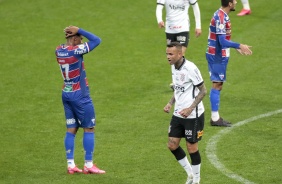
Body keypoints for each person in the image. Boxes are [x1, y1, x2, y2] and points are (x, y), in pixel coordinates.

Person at [55, 25, 106, 174]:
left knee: (71, 128)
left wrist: (76, 33)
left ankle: (70, 164)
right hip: (80, 95)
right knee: (89, 128)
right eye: (80, 37)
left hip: (66, 92)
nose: (82, 40)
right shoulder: (76, 51)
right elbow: (97, 40)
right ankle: (88, 165)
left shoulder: (58, 50)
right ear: (74, 37)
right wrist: (81, 29)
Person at [164, 42, 207, 184]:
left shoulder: (190, 68)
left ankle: (197, 180)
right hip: (178, 113)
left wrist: (190, 108)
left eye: (171, 54)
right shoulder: (173, 67)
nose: (168, 57)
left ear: (180, 54)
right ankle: (190, 174)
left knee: (191, 146)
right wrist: (170, 103)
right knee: (172, 144)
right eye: (167, 54)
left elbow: (203, 90)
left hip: (193, 114)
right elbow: (178, 88)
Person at [206, 0, 252, 127]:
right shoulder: (221, 17)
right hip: (216, 55)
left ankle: (215, 117)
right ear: (230, 4)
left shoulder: (222, 15)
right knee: (217, 84)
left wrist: (234, 47)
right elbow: (222, 41)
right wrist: (239, 45)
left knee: (218, 84)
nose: (236, 2)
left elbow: (224, 39)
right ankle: (215, 118)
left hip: (219, 54)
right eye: (235, 1)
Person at [156, 0, 201, 89]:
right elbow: (159, 7)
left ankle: (181, 80)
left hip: (183, 28)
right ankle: (175, 82)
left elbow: (195, 6)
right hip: (170, 29)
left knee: (180, 55)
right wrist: (159, 20)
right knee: (172, 55)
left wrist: (198, 26)